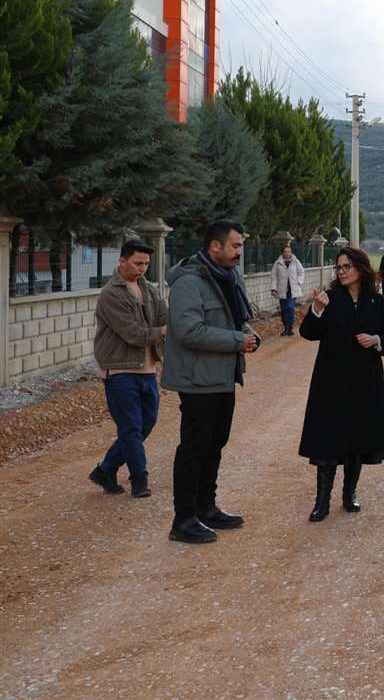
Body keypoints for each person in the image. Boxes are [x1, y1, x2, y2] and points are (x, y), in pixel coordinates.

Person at [161, 219, 260, 545]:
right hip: (197, 379)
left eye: (241, 245)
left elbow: (237, 320)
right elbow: (188, 331)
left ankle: (206, 508)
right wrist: (237, 340)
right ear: (215, 246)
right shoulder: (189, 283)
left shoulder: (229, 277)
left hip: (223, 376)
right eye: (235, 245)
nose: (240, 252)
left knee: (215, 444)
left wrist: (248, 335)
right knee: (194, 448)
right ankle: (183, 519)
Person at [298, 247, 384, 522]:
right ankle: (322, 502)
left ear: (360, 268)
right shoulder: (329, 299)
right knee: (327, 441)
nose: (341, 272)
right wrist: (317, 310)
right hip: (331, 381)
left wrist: (376, 340)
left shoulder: (376, 302)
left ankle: (349, 493)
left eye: (346, 267)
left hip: (365, 381)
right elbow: (308, 333)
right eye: (338, 267)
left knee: (358, 439)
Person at [89, 240, 168, 498]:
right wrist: (165, 330)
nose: (142, 268)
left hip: (147, 370)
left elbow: (164, 316)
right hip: (120, 371)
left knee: (146, 424)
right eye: (137, 263)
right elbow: (134, 334)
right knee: (131, 428)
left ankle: (106, 470)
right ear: (122, 261)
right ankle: (139, 480)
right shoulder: (111, 294)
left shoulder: (149, 289)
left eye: (146, 263)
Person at [271, 245, 307, 337]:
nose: (287, 253)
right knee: (284, 309)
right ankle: (286, 328)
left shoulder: (295, 262)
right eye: (285, 251)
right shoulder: (277, 263)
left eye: (289, 251)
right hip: (282, 290)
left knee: (290, 307)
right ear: (282, 253)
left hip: (292, 290)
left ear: (291, 253)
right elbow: (274, 276)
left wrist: (299, 281)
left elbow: (301, 272)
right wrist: (273, 288)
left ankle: (290, 328)